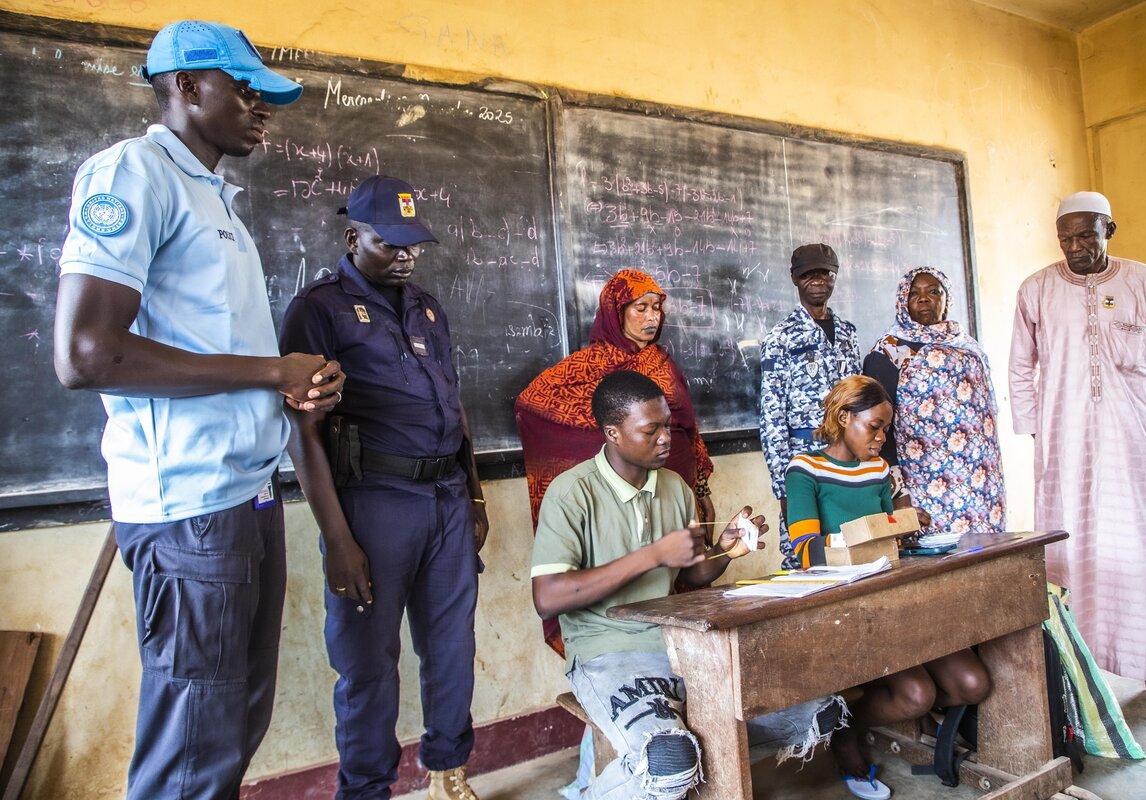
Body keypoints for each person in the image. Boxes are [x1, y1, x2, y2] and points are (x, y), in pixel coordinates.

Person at [53, 21, 344, 800]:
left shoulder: (213, 198)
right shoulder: (133, 175)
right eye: (244, 89)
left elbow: (213, 354)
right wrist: (268, 368)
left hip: (245, 498)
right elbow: (86, 353)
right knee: (191, 754)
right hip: (190, 513)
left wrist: (286, 385)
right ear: (186, 87)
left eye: (264, 95)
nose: (261, 107)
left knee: (230, 734)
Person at [530, 370, 847, 800]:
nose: (666, 439)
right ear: (612, 433)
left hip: (679, 644)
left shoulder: (675, 488)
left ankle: (682, 759)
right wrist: (654, 554)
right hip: (610, 651)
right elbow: (547, 597)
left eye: (668, 426)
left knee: (820, 712)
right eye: (651, 429)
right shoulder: (572, 493)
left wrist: (725, 550)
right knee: (667, 761)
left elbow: (692, 573)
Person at [280, 175, 489, 800]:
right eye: (389, 243)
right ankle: (366, 789)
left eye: (412, 245)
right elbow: (302, 431)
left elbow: (455, 406)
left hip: (446, 499)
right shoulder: (317, 309)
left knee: (451, 647)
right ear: (353, 237)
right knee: (368, 663)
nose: (404, 256)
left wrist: (474, 495)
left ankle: (448, 773)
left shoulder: (427, 306)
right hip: (374, 503)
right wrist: (337, 538)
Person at [1010, 190, 1146, 710]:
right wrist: (1035, 423)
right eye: (1065, 237)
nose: (1075, 246)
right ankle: (1075, 667)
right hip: (1065, 436)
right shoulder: (1037, 289)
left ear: (1108, 229)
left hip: (1136, 434)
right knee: (1072, 544)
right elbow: (1021, 364)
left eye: (1085, 234)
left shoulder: (1144, 280)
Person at [785, 375, 991, 800]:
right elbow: (806, 551)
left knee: (973, 683)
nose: (881, 438)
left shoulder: (878, 470)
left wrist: (907, 529)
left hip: (894, 598)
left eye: (885, 429)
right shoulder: (805, 470)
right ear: (843, 418)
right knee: (917, 693)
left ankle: (902, 716)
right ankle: (843, 729)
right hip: (844, 605)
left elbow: (891, 540)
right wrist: (872, 535)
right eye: (873, 426)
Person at [516, 268, 715, 655]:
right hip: (618, 502)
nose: (652, 317)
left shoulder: (663, 364)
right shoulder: (589, 367)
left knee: (679, 587)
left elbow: (690, 430)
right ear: (615, 312)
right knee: (628, 590)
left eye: (657, 308)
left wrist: (701, 487)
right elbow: (532, 402)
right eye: (640, 308)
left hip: (671, 494)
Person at [862, 267, 1005, 536]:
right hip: (924, 480)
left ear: (946, 299)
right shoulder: (888, 352)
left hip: (979, 477)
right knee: (937, 556)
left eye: (933, 292)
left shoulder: (966, 345)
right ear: (902, 301)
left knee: (985, 555)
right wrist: (896, 490)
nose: (923, 299)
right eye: (913, 293)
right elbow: (880, 429)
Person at [760, 243, 860, 554]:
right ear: (795, 279)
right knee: (806, 552)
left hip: (849, 459)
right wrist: (783, 487)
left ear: (834, 277)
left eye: (824, 273)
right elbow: (771, 416)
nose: (817, 280)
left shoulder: (848, 333)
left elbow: (860, 399)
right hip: (805, 463)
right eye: (808, 274)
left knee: (853, 544)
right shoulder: (781, 338)